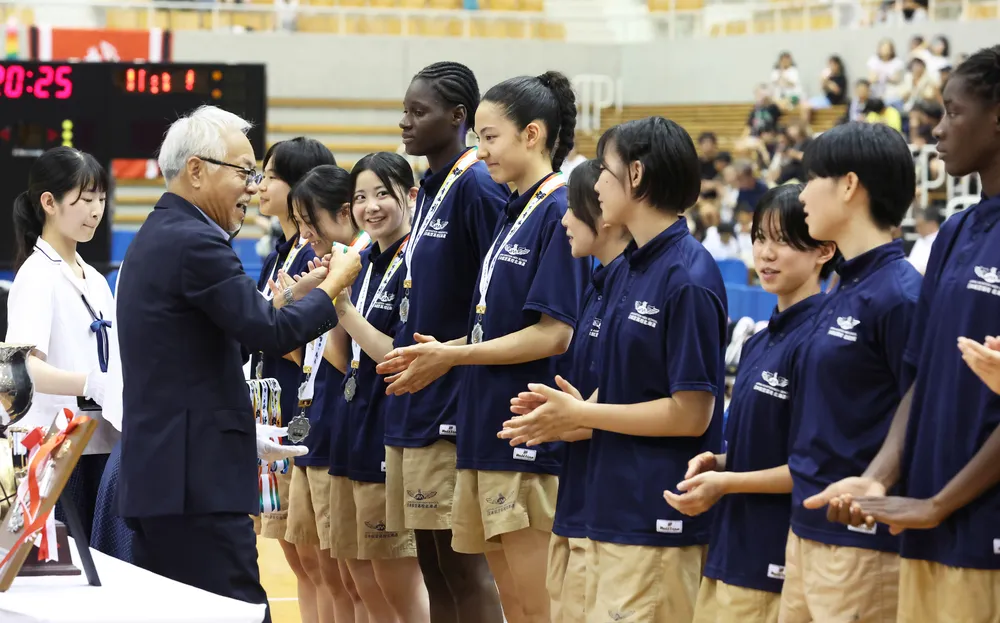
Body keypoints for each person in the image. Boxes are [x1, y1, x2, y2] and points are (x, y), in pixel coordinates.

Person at [115, 105, 361, 621]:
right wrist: (335, 287)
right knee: (239, 612)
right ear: (197, 169)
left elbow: (204, 349)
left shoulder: (162, 233)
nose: (252, 186)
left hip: (171, 477)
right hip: (193, 487)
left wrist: (295, 298)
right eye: (245, 171)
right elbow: (268, 332)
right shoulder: (197, 241)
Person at [500, 116, 729, 623]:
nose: (596, 183)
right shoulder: (626, 269)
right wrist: (566, 418)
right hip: (603, 508)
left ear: (638, 176)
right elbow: (621, 395)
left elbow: (692, 414)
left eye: (605, 170)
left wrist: (583, 414)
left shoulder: (688, 276)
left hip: (652, 516)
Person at [380, 70, 588, 623]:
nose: (480, 149)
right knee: (511, 602)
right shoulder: (511, 210)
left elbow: (554, 332)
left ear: (533, 135)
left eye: (490, 136)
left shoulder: (559, 210)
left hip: (525, 431)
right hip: (484, 423)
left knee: (534, 605)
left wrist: (453, 355)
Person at [808, 44, 1000, 622]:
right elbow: (921, 379)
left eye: (953, 111)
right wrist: (876, 479)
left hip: (979, 532)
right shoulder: (955, 232)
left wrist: (940, 503)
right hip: (921, 523)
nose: (937, 129)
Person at [664, 185, 837, 622]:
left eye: (783, 241)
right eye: (760, 238)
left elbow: (815, 466)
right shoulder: (760, 338)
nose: (766, 253)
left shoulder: (823, 342)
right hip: (728, 550)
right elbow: (772, 443)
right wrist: (723, 464)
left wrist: (728, 483)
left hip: (776, 558)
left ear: (823, 250)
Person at [378, 61, 509, 623]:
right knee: (432, 566)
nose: (405, 122)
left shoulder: (476, 186)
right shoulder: (429, 189)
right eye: (405, 110)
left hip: (452, 403)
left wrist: (450, 358)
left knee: (461, 567)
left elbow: (496, 301)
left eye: (418, 111)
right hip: (416, 400)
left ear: (459, 117)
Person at [776, 121, 921, 623]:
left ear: (849, 186)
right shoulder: (841, 286)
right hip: (805, 532)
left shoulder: (900, 295)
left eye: (811, 178)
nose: (802, 197)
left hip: (862, 546)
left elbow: (921, 410)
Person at [327, 152, 431, 623]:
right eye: (360, 197)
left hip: (390, 428)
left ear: (410, 196)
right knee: (358, 577)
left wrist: (342, 308)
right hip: (354, 421)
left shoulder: (420, 260)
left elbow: (396, 353)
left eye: (383, 194)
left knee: (397, 584)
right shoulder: (364, 261)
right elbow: (338, 355)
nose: (371, 207)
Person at [5, 146, 117, 541]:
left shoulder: (98, 280)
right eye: (85, 200)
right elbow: (22, 369)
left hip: (104, 440)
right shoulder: (36, 276)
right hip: (57, 448)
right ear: (49, 203)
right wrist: (89, 383)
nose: (95, 211)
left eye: (101, 199)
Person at [542, 159, 630, 623]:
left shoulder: (640, 287)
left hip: (614, 512)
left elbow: (659, 400)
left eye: (574, 208)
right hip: (575, 497)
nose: (563, 219)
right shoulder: (598, 284)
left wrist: (572, 418)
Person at [286, 164, 373, 623]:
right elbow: (307, 356)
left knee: (351, 578)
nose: (305, 235)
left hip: (342, 428)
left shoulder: (360, 263)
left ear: (343, 212)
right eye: (298, 224)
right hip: (314, 421)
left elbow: (346, 360)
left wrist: (325, 297)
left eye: (309, 222)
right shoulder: (330, 265)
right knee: (318, 566)